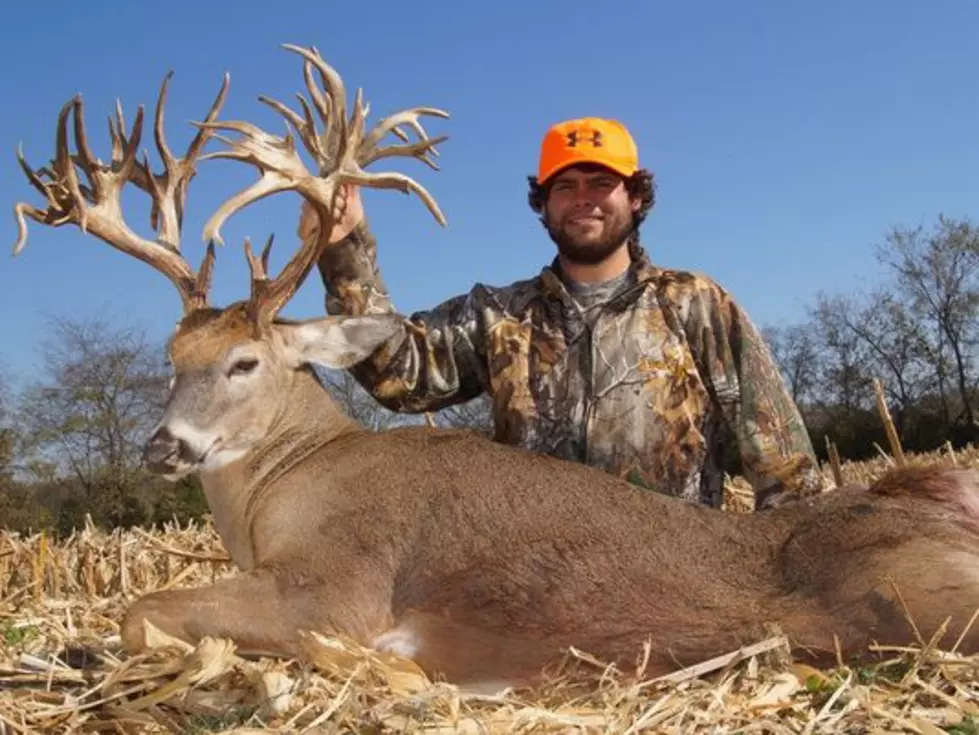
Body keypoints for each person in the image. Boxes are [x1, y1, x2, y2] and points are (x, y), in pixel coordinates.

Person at [310, 117, 822, 510]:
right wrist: (342, 249)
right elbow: (400, 373)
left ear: (636, 196)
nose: (583, 200)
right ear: (544, 203)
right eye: (564, 186)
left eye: (601, 182)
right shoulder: (499, 316)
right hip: (535, 592)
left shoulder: (697, 305)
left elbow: (787, 470)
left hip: (673, 587)